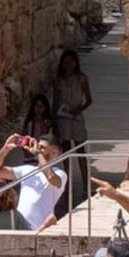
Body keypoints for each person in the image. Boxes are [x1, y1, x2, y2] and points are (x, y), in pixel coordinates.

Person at [0, 134, 65, 230]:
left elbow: (51, 178)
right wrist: (6, 148)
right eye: (38, 146)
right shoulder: (26, 169)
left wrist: (38, 154)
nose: (37, 149)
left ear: (54, 153)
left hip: (41, 226)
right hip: (20, 225)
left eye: (42, 148)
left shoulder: (60, 174)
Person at [52, 49, 93, 211]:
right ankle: (68, 185)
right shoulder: (58, 81)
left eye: (71, 61)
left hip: (76, 118)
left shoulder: (82, 79)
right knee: (67, 151)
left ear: (76, 63)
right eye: (66, 61)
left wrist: (79, 109)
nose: (68, 64)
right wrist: (54, 120)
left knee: (81, 149)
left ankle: (86, 183)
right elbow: (55, 101)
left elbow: (89, 99)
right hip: (62, 118)